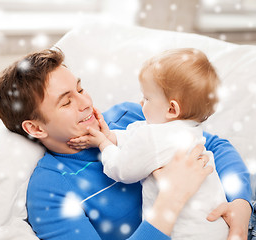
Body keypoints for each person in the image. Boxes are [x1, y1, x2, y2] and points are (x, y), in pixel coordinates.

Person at [0, 48, 252, 240]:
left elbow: (216, 145)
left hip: (244, 211)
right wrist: (171, 199)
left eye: (80, 90)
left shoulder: (132, 115)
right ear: (35, 128)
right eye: (66, 101)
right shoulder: (50, 190)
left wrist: (241, 205)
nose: (85, 103)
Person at [68, 48, 229, 239]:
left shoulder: (152, 137)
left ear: (171, 108)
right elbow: (136, 137)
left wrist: (103, 143)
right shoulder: (188, 130)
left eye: (147, 98)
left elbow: (122, 169)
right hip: (217, 227)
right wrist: (112, 137)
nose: (140, 102)